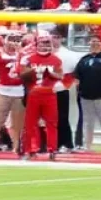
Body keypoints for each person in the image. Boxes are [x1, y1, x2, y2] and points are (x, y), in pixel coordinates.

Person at [19, 31, 62, 159]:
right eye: (42, 43)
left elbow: (60, 75)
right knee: (30, 123)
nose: (44, 46)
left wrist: (50, 73)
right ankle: (30, 149)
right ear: (36, 44)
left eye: (47, 43)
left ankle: (52, 150)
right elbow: (22, 75)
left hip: (49, 93)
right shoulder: (28, 58)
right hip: (34, 92)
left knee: (51, 123)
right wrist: (34, 70)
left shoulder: (56, 59)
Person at [74, 34, 101, 154]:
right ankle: (88, 145)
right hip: (86, 95)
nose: (94, 45)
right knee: (88, 121)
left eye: (97, 42)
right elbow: (77, 76)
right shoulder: (84, 59)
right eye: (92, 42)